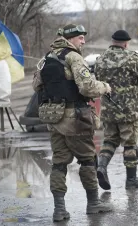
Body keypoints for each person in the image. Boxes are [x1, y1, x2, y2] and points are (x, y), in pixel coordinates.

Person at [33, 24, 113, 222]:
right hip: (76, 117)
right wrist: (105, 87)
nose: (83, 41)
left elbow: (36, 85)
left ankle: (59, 210)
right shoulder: (74, 57)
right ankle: (93, 204)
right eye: (79, 38)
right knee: (87, 160)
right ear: (69, 39)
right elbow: (87, 87)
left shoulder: (45, 59)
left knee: (59, 163)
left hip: (54, 118)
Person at [94, 29, 138, 190]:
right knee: (130, 144)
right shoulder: (132, 58)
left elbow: (96, 80)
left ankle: (101, 166)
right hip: (129, 111)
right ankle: (131, 180)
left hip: (108, 109)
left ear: (113, 42)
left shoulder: (101, 59)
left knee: (110, 141)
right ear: (126, 43)